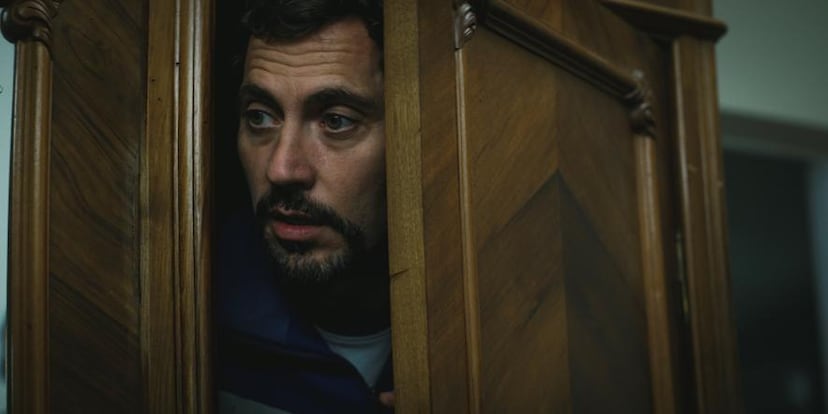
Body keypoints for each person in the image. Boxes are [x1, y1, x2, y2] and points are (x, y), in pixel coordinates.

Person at [214, 1, 393, 412]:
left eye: (336, 121)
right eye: (260, 117)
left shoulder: (487, 329)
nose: (281, 169)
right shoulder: (187, 315)